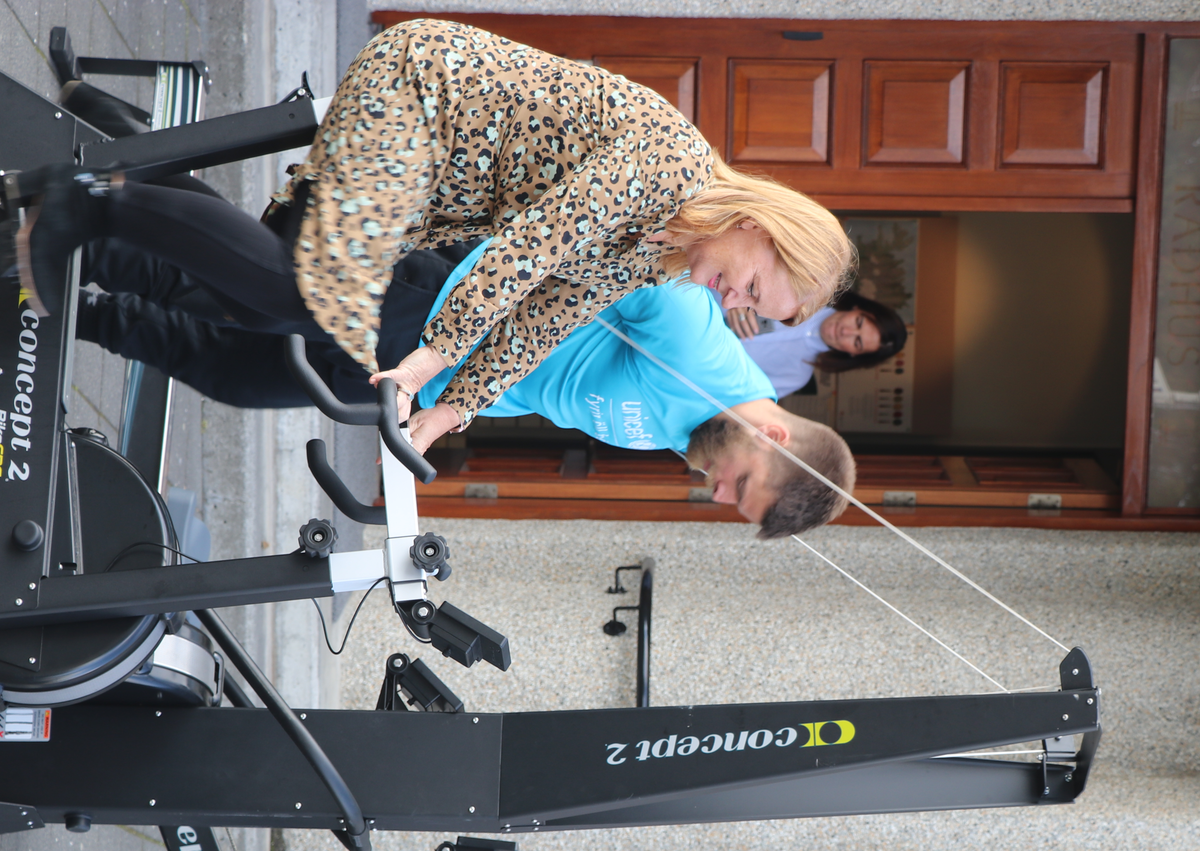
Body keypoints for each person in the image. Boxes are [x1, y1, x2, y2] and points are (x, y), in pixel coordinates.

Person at [13, 18, 853, 436]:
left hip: (430, 180)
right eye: (753, 284)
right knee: (302, 294)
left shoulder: (660, 252)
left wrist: (453, 410)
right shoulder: (669, 170)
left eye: (753, 309)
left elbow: (542, 318)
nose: (735, 303)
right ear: (757, 225)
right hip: (424, 94)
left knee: (263, 302)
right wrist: (426, 361)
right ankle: (85, 201)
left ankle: (117, 159)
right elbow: (521, 258)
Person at [79, 238, 855, 537]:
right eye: (739, 486)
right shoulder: (691, 337)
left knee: (233, 373)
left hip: (424, 378)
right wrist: (453, 372)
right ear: (774, 436)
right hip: (431, 308)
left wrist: (452, 411)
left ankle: (74, 311)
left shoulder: (694, 438)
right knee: (223, 291)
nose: (717, 492)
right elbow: (581, 255)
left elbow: (545, 382)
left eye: (730, 502)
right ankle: (71, 238)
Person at [724, 290, 907, 399]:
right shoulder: (802, 289)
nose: (846, 331)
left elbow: (735, 399)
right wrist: (739, 296)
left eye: (857, 342)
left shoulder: (796, 376)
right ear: (857, 309)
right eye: (858, 322)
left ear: (854, 354)